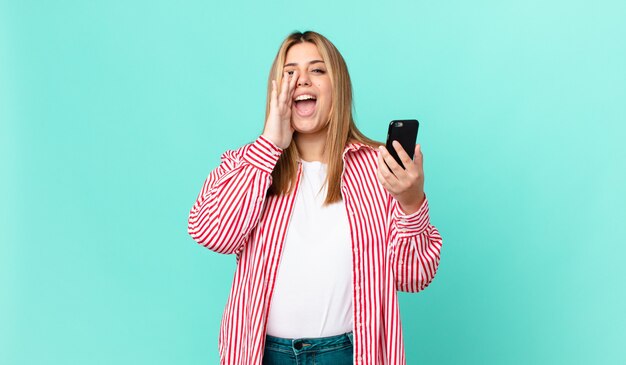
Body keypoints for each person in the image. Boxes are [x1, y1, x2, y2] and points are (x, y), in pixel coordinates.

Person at [187, 31, 443, 365]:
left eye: (317, 70)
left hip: (351, 353)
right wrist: (269, 145)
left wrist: (411, 204)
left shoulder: (379, 168)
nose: (302, 80)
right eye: (290, 72)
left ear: (339, 86)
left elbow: (412, 277)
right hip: (263, 354)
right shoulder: (247, 164)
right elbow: (212, 233)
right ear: (276, 89)